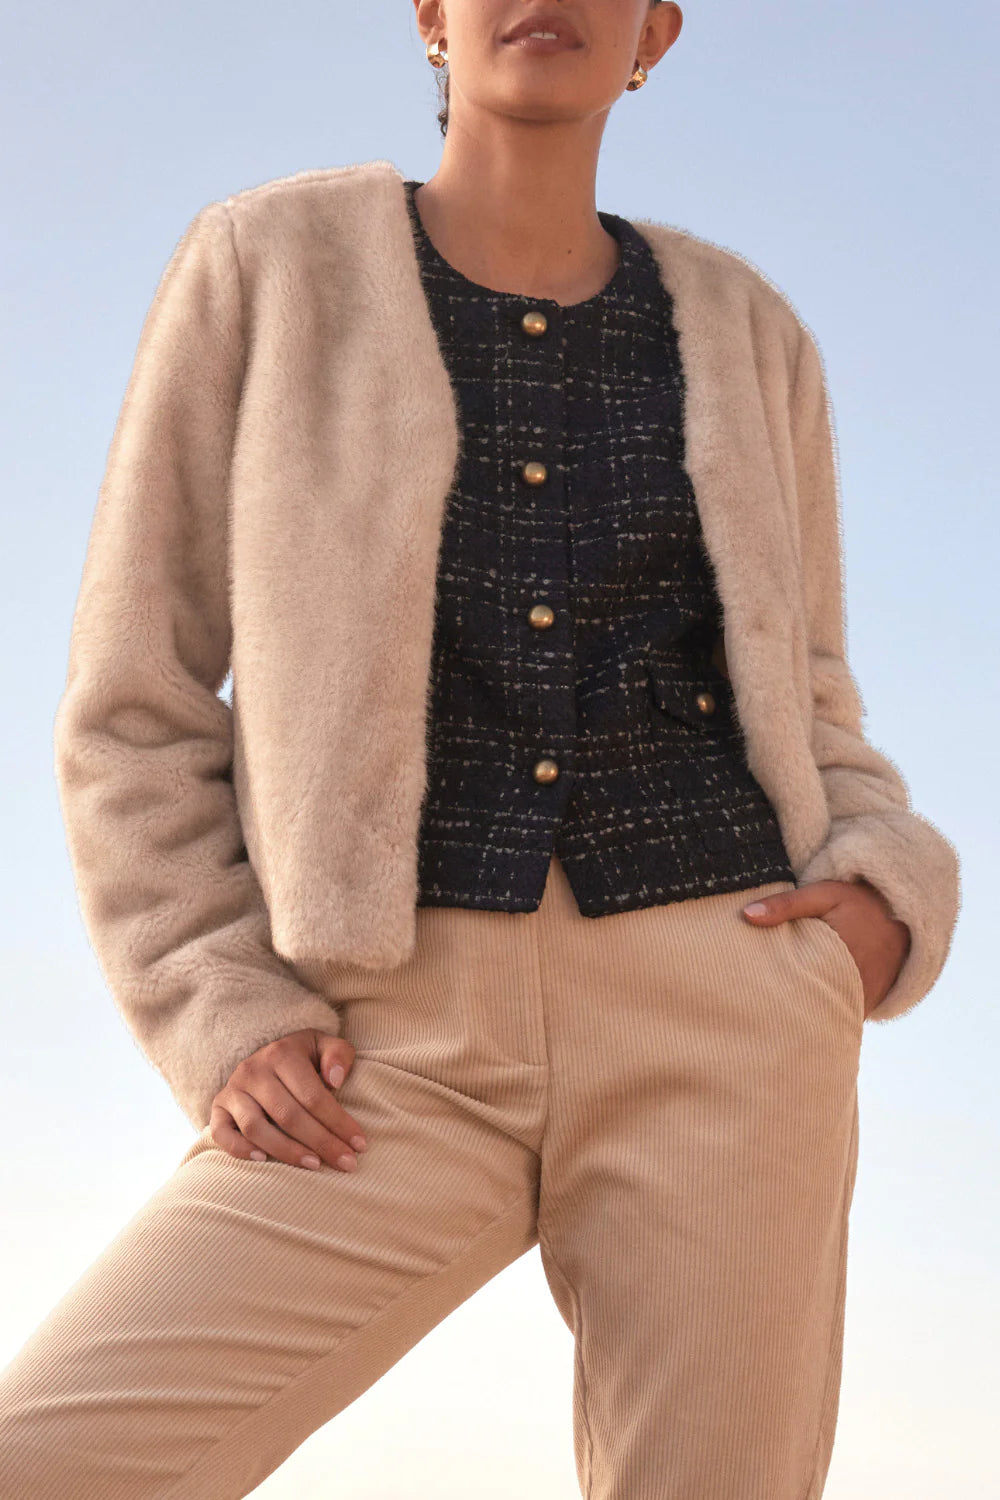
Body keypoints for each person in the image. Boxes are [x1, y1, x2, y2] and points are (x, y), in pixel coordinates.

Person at [0, 2, 961, 1497]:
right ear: (432, 18)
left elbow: (811, 693)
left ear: (655, 34)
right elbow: (139, 691)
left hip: (725, 1008)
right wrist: (218, 1000)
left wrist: (878, 903)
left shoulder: (747, 328)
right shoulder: (268, 265)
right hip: (384, 1038)